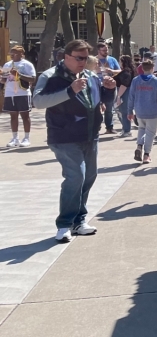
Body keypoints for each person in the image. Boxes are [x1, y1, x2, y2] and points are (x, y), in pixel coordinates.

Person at [32, 39, 117, 243]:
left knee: (89, 176)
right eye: (79, 58)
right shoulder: (50, 76)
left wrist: (109, 89)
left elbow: (103, 102)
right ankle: (64, 224)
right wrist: (70, 90)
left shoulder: (89, 76)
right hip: (63, 136)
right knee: (76, 176)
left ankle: (79, 221)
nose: (83, 62)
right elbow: (38, 101)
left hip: (90, 135)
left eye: (85, 58)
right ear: (66, 57)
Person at [126, 59, 157, 164]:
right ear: (152, 68)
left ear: (142, 68)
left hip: (139, 111)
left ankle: (139, 145)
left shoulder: (135, 80)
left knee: (142, 129)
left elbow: (131, 96)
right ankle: (146, 154)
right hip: (153, 111)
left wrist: (129, 111)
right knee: (150, 133)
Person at [2, 44, 36, 147]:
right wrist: (2, 77)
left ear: (21, 54)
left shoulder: (27, 64)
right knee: (13, 116)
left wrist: (18, 75)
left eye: (14, 53)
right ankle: (15, 138)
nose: (12, 55)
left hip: (23, 93)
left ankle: (26, 138)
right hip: (9, 93)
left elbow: (33, 79)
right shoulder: (7, 65)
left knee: (25, 116)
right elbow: (4, 80)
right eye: (11, 53)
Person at [95, 42, 121, 134]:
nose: (106, 51)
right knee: (96, 107)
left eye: (107, 50)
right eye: (104, 50)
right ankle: (96, 127)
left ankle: (109, 127)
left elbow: (119, 71)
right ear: (98, 51)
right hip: (97, 86)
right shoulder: (94, 60)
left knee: (109, 108)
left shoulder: (112, 59)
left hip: (110, 86)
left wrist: (112, 71)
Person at [114, 54, 136, 137]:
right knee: (120, 110)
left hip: (124, 92)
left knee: (124, 111)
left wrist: (119, 96)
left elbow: (124, 85)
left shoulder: (126, 72)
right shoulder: (130, 70)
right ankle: (125, 128)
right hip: (125, 92)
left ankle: (127, 130)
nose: (119, 63)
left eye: (120, 61)